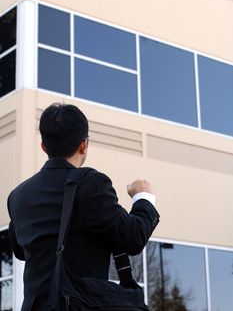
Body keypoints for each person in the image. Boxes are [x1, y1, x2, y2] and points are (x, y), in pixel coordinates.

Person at [7, 103, 160, 311]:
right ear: (84, 145)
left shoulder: (17, 196)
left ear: (43, 146)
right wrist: (143, 198)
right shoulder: (91, 184)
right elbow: (133, 237)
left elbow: (20, 251)